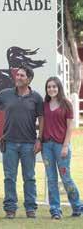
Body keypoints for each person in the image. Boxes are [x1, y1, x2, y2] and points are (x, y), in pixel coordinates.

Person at [0, 64, 43, 219]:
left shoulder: (36, 98)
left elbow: (42, 119)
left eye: (22, 75)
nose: (18, 77)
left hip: (29, 144)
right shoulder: (5, 94)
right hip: (9, 143)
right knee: (9, 177)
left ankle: (30, 209)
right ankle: (10, 209)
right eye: (18, 74)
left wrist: (39, 139)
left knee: (29, 177)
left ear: (29, 79)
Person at [42, 76, 83, 219]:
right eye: (49, 87)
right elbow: (42, 124)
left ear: (59, 88)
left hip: (61, 146)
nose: (51, 89)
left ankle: (78, 206)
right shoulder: (45, 104)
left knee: (66, 178)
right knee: (51, 179)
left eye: (54, 86)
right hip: (46, 146)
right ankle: (55, 211)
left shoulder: (66, 104)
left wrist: (65, 146)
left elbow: (70, 127)